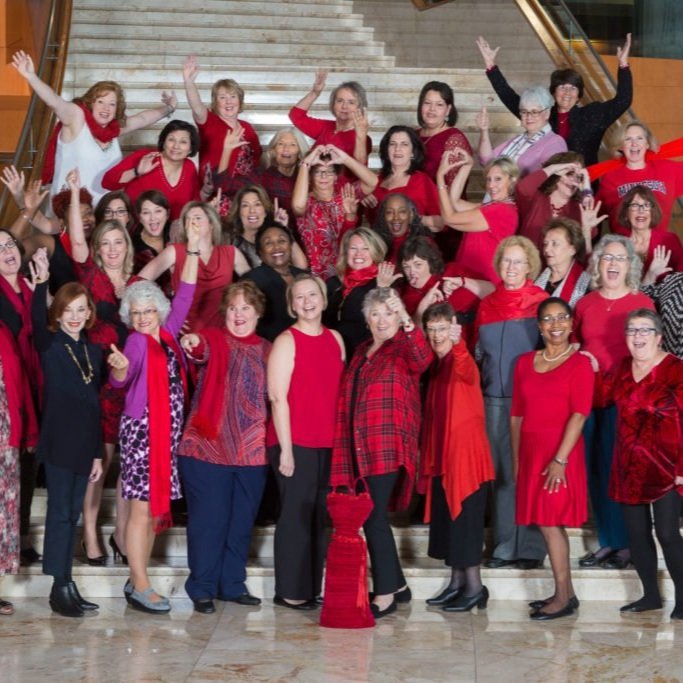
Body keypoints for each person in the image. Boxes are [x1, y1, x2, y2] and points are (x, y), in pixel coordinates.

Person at [108, 225, 199, 613]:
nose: (143, 317)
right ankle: (140, 584)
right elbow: (123, 378)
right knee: (142, 508)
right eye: (136, 311)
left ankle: (137, 578)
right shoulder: (135, 341)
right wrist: (118, 369)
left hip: (165, 435)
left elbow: (188, 295)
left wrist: (192, 253)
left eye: (149, 310)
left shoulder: (168, 335)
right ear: (128, 314)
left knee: (147, 508)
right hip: (144, 432)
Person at [331, 287, 432, 618]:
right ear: (366, 318)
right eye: (375, 313)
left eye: (387, 312)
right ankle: (399, 586)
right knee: (370, 516)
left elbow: (423, 357)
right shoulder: (361, 351)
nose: (381, 319)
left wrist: (404, 314)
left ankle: (385, 592)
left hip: (387, 445)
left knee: (373, 517)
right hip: (360, 447)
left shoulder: (403, 347)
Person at [178, 281, 272, 614]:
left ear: (258, 312)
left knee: (241, 523)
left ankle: (232, 584)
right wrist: (192, 341)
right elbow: (198, 347)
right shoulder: (215, 340)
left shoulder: (269, 349)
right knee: (209, 522)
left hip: (251, 451)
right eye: (232, 308)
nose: (238, 314)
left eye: (245, 307)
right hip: (206, 449)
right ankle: (201, 587)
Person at [587, 310, 683, 619]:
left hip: (667, 468)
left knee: (668, 534)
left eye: (645, 330)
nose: (638, 336)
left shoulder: (676, 370)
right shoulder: (623, 369)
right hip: (628, 465)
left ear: (658, 336)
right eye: (632, 331)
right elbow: (603, 398)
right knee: (637, 535)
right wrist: (590, 369)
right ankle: (650, 596)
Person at [66, 171, 135, 566]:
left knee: (130, 465)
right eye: (104, 243)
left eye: (117, 241)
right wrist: (77, 193)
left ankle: (123, 534)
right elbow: (75, 240)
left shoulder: (139, 280)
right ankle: (89, 533)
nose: (111, 248)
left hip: (133, 382)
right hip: (98, 384)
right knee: (100, 463)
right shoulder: (91, 278)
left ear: (126, 244)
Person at [573, 234, 654, 569]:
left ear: (631, 266)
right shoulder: (586, 303)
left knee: (621, 471)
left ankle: (628, 545)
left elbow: (649, 353)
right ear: (598, 264)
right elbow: (574, 343)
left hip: (626, 399)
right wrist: (581, 356)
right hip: (589, 397)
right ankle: (608, 541)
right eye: (608, 258)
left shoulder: (641, 303)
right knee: (596, 469)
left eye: (620, 259)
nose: (613, 264)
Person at [30, 250, 103, 617]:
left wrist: (96, 454)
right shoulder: (51, 344)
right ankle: (59, 587)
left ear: (89, 312)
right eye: (68, 310)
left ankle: (68, 582)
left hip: (83, 447)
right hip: (58, 445)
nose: (75, 317)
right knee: (59, 514)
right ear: (58, 313)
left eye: (81, 309)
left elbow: (94, 407)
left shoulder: (93, 350)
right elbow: (35, 321)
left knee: (73, 514)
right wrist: (42, 280)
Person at [511, 297, 594, 620]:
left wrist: (560, 459)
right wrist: (516, 461)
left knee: (550, 523)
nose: (555, 324)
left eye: (561, 318)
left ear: (571, 323)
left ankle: (562, 596)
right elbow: (516, 415)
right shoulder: (523, 363)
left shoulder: (580, 363)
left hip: (561, 454)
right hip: (531, 454)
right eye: (548, 319)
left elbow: (580, 414)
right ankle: (565, 593)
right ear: (539, 326)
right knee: (545, 523)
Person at [11, 50, 177, 209]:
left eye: (112, 104)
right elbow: (54, 101)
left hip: (104, 210)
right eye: (101, 102)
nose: (106, 108)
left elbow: (142, 119)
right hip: (71, 208)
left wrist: (169, 108)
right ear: (91, 102)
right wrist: (31, 77)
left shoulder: (112, 131)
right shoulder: (77, 118)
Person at [268, 274, 345, 609]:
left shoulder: (336, 339)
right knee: (294, 517)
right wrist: (286, 448)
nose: (308, 301)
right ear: (291, 304)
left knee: (317, 516)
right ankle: (290, 591)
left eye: (313, 294)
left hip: (326, 441)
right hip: (293, 441)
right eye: (300, 297)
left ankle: (312, 587)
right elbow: (277, 396)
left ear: (324, 299)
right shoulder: (287, 340)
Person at [476, 236, 549, 569]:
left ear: (530, 266)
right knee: (504, 475)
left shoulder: (542, 303)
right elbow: (479, 353)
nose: (512, 267)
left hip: (532, 403)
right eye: (506, 260)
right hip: (493, 400)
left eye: (519, 261)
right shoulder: (487, 305)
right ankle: (505, 546)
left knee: (531, 474)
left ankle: (532, 548)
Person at [419, 303, 494, 613]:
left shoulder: (462, 361)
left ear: (453, 329)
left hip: (465, 460)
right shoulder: (437, 366)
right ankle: (456, 582)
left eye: (442, 329)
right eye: (432, 329)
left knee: (464, 521)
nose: (437, 335)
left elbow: (463, 361)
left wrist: (459, 341)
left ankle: (475, 587)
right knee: (450, 521)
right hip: (443, 457)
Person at [476, 34, 633, 167]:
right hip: (547, 185)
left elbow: (623, 100)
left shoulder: (592, 114)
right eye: (562, 87)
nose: (567, 93)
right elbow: (510, 97)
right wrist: (491, 67)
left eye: (573, 88)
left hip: (583, 184)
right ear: (553, 92)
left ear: (579, 94)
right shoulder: (541, 115)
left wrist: (623, 65)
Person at [139, 202, 250, 332]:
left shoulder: (231, 252)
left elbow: (253, 290)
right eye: (188, 219)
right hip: (185, 333)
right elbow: (139, 282)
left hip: (221, 333)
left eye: (197, 217)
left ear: (212, 224)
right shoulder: (175, 251)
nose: (192, 222)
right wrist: (163, 313)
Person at [0, 229, 42, 566]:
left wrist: (43, 285)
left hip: (37, 382)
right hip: (9, 387)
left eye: (9, 245)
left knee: (27, 466)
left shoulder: (31, 283)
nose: (7, 252)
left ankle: (22, 535)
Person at [291, 144, 377, 279]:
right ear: (310, 176)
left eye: (330, 171)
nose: (324, 176)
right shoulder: (306, 201)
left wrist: (345, 159)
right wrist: (306, 163)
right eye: (318, 171)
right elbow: (297, 206)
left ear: (336, 176)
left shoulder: (346, 195)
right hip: (316, 277)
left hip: (347, 273)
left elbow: (372, 182)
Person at [0, 315, 38, 616]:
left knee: (2, 515)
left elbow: (20, 381)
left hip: (5, 437)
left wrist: (28, 430)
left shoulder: (3, 332)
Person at [438, 151, 519, 283]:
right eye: (489, 179)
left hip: (481, 280)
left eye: (498, 179)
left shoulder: (502, 210)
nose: (491, 185)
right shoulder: (497, 206)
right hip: (470, 275)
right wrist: (467, 165)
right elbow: (455, 202)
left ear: (511, 180)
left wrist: (440, 177)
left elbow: (449, 218)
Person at [399, 235, 491, 351]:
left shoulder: (452, 271)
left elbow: (493, 293)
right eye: (406, 267)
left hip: (482, 340)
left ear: (430, 262)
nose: (411, 272)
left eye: (418, 265)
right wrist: (422, 308)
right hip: (451, 354)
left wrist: (464, 282)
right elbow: (415, 345)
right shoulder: (408, 296)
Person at [102, 120, 200, 221]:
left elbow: (194, 202)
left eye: (183, 142)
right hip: (134, 229)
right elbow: (107, 182)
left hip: (172, 232)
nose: (176, 146)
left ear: (190, 148)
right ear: (163, 142)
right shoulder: (145, 157)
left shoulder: (190, 167)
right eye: (171, 139)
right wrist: (136, 172)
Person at [182, 55, 261, 180]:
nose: (228, 102)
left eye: (233, 96)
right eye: (222, 97)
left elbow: (257, 160)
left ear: (240, 100)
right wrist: (188, 81)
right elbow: (197, 106)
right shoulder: (209, 121)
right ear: (215, 102)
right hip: (214, 191)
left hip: (245, 193)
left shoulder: (247, 127)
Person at [596, 121, 683, 233]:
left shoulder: (667, 168)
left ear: (647, 144)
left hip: (658, 246)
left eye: (639, 138)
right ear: (621, 146)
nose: (634, 143)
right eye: (628, 139)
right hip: (624, 246)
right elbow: (597, 212)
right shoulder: (610, 177)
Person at [324, 227, 398, 356]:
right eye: (353, 248)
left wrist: (382, 290)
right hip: (332, 354)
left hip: (363, 357)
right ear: (346, 252)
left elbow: (386, 329)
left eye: (365, 248)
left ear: (375, 253)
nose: (359, 254)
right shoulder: (333, 283)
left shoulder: (382, 283)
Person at [514, 152, 602, 250]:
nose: (574, 181)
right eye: (569, 174)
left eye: (579, 177)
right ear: (557, 174)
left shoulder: (578, 208)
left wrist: (586, 191)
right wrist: (551, 169)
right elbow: (522, 188)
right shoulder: (536, 197)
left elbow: (590, 235)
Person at [477, 87, 567, 179]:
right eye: (524, 112)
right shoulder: (518, 139)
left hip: (522, 193)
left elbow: (549, 180)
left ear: (547, 113)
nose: (528, 117)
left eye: (534, 112)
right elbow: (486, 161)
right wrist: (484, 130)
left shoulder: (555, 142)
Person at [289, 70, 371, 169]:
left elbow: (361, 170)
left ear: (360, 107)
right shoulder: (326, 127)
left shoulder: (362, 138)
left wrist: (361, 137)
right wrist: (315, 93)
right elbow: (296, 116)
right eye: (340, 101)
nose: (344, 106)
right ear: (333, 104)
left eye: (351, 102)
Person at [365, 126, 442, 230]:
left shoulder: (422, 180)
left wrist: (413, 219)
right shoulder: (376, 181)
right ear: (386, 150)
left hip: (413, 244)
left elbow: (441, 223)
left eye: (404, 144)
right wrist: (363, 197)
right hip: (381, 243)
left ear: (413, 152)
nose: (397, 149)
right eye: (393, 144)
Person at [241, 223, 307, 342]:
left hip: (305, 345)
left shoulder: (304, 277)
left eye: (282, 241)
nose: (277, 247)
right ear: (260, 252)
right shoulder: (251, 280)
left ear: (291, 246)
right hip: (269, 349)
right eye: (268, 243)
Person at [225, 184, 306, 269]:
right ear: (238, 211)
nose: (252, 210)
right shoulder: (231, 242)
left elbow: (301, 266)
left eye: (257, 204)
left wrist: (283, 229)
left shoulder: (274, 239)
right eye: (245, 205)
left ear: (265, 210)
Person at [617, 186, 683, 274]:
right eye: (635, 205)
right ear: (626, 213)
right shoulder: (617, 243)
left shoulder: (669, 240)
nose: (641, 210)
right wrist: (590, 230)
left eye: (646, 205)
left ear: (652, 212)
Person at [416, 81, 472, 184]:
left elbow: (454, 191)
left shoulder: (454, 139)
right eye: (427, 103)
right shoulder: (412, 135)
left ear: (448, 110)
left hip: (439, 199)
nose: (432, 109)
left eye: (439, 104)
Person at [535, 218, 591, 307]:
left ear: (572, 249)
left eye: (555, 244)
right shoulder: (536, 278)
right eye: (545, 244)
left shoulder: (586, 283)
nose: (546, 249)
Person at [373, 193, 429, 264]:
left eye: (402, 212)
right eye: (389, 212)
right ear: (384, 216)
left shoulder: (423, 244)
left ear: (411, 215)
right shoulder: (377, 243)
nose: (396, 217)